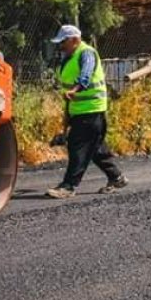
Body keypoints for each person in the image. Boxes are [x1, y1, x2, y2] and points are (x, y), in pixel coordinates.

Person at [44, 24, 128, 199]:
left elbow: (86, 75)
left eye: (63, 42)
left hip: (92, 110)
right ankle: (116, 177)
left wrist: (75, 90)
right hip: (79, 111)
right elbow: (66, 91)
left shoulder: (86, 53)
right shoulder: (69, 57)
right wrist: (66, 117)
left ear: (75, 40)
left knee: (78, 148)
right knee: (95, 149)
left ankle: (68, 186)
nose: (61, 45)